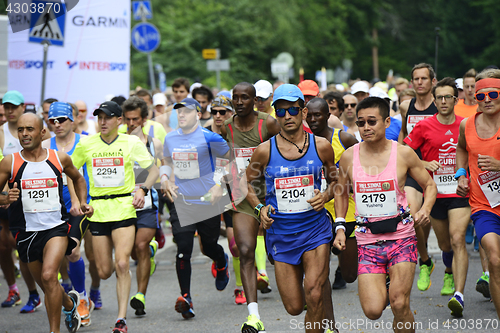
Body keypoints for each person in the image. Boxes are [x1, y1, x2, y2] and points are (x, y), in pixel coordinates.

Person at [333, 97, 437, 333]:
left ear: (387, 122)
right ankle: (395, 293)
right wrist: (340, 226)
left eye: (372, 121)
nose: (366, 128)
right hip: (367, 241)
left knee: (399, 303)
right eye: (361, 123)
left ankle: (403, 307)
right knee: (373, 310)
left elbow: (429, 186)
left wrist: (425, 210)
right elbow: (340, 191)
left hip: (401, 236)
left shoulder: (404, 154)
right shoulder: (349, 156)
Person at [246, 84, 338, 333]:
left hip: (315, 230)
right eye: (281, 111)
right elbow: (245, 184)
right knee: (295, 306)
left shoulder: (321, 146)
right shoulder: (264, 151)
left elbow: (336, 182)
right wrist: (259, 209)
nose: (287, 116)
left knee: (315, 293)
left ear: (304, 112)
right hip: (281, 234)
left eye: (293, 110)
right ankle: (317, 317)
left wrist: (326, 195)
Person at [0, 112, 93, 333]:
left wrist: (82, 202)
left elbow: (78, 178)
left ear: (42, 132)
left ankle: (54, 331)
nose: (24, 134)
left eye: (29, 129)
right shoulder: (10, 162)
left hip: (56, 227)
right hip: (25, 231)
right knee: (47, 284)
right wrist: (5, 199)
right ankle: (69, 305)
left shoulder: (58, 158)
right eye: (21, 129)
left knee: (50, 275)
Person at [71, 101, 159, 333]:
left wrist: (142, 190)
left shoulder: (131, 142)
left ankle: (121, 319)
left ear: (119, 120)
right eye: (99, 117)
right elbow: (71, 173)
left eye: (108, 117)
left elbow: (154, 170)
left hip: (124, 208)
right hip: (97, 211)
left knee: (122, 262)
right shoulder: (87, 144)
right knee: (104, 271)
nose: (102, 122)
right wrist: (79, 200)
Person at [404, 77, 470, 316]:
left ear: (456, 99)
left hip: (459, 192)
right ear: (434, 99)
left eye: (448, 97)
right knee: (444, 244)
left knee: (457, 238)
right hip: (435, 193)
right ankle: (448, 271)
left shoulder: (466, 124)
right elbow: (405, 154)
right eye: (439, 97)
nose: (443, 101)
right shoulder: (424, 126)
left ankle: (459, 295)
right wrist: (423, 163)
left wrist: (466, 176)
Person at [161, 97, 230, 319]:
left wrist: (219, 185)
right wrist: (165, 179)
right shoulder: (170, 138)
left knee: (208, 247)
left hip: (207, 200)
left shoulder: (210, 138)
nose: (181, 115)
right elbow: (167, 162)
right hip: (182, 200)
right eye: (178, 111)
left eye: (187, 112)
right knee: (183, 249)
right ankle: (186, 298)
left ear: (198, 115)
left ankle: (221, 260)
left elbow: (228, 160)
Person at [219, 82, 281, 332]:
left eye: (245, 97)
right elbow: (223, 158)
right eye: (236, 98)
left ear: (255, 100)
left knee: (280, 254)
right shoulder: (226, 126)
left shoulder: (268, 123)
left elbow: (282, 151)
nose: (240, 102)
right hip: (242, 196)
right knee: (245, 250)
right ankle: (253, 315)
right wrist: (219, 182)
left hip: (273, 195)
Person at [41, 102, 95, 326]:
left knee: (73, 251)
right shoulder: (45, 145)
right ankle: (67, 292)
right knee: (57, 255)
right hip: (52, 206)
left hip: (81, 205)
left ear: (73, 119)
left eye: (61, 120)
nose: (57, 124)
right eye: (52, 121)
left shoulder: (86, 142)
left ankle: (81, 297)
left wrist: (83, 200)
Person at [456, 68, 500, 319]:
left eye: (493, 94)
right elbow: (461, 149)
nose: (487, 100)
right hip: (485, 205)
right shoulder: (467, 124)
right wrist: (461, 174)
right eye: (481, 96)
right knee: (494, 258)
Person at [305, 97, 358, 291]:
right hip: (316, 210)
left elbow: (362, 168)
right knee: (319, 274)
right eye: (308, 115)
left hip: (346, 208)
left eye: (317, 115)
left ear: (328, 116)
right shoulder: (301, 143)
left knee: (350, 275)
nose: (312, 119)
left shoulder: (344, 139)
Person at [121, 97, 162, 317]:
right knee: (134, 252)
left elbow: (162, 170)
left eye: (135, 119)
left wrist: (164, 184)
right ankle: (150, 252)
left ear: (144, 119)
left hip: (147, 203)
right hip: (123, 205)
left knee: (140, 244)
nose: (131, 123)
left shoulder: (154, 144)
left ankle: (140, 296)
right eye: (127, 119)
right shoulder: (118, 142)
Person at [398, 63, 438, 292]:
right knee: (413, 215)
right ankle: (425, 260)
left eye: (424, 78)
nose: (420, 82)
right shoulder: (406, 106)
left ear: (433, 81)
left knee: (437, 225)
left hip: (439, 169)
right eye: (416, 79)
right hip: (414, 169)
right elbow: (404, 134)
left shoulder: (440, 105)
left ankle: (450, 270)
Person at [205, 95, 246, 304]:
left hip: (233, 190)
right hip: (208, 193)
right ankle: (220, 260)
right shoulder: (203, 133)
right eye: (215, 112)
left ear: (232, 113)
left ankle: (240, 287)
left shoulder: (237, 133)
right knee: (206, 245)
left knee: (236, 244)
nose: (218, 116)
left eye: (223, 112)